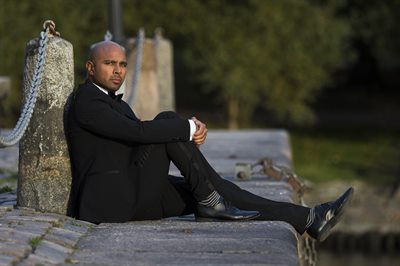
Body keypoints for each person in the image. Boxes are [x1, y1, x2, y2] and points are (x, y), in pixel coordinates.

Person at [66, 41, 353, 242]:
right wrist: (187, 129)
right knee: (168, 121)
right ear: (91, 68)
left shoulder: (112, 102)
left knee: (218, 188)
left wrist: (183, 137)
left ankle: (309, 218)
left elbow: (137, 133)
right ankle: (210, 199)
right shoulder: (88, 102)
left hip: (132, 189)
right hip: (110, 203)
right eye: (109, 64)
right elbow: (140, 135)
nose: (118, 70)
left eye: (122, 64)